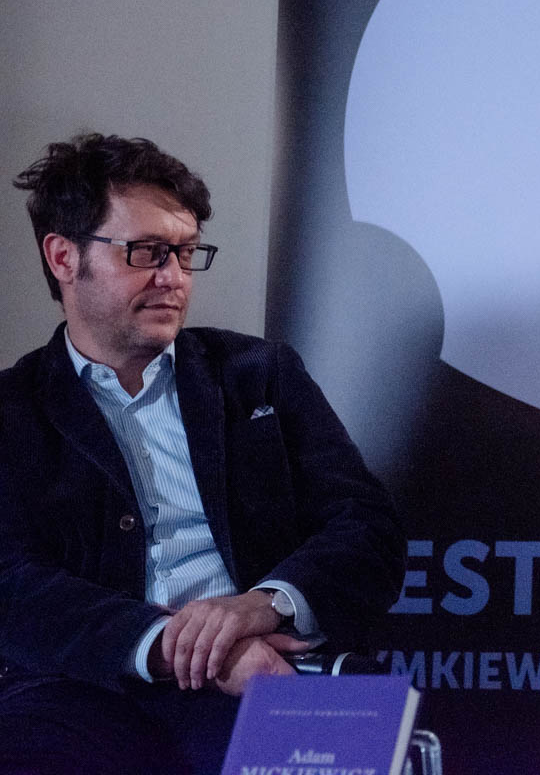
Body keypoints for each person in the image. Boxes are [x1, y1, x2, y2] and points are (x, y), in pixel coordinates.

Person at [0, 134, 405, 775]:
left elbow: (368, 530)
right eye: (146, 252)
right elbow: (13, 584)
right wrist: (179, 646)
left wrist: (259, 606)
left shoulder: (259, 374)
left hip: (273, 670)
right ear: (64, 257)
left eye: (186, 254)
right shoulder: (13, 409)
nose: (173, 279)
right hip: (77, 691)